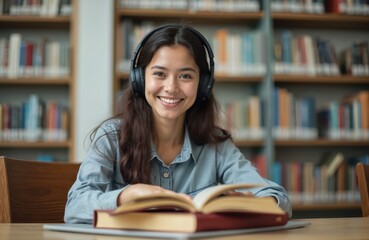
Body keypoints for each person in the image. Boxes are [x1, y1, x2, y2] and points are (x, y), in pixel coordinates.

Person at [64, 24, 292, 224]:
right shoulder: (112, 136)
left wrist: (251, 203)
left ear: (203, 85)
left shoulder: (216, 144)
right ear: (140, 79)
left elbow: (278, 199)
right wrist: (126, 196)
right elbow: (74, 207)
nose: (171, 87)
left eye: (185, 76)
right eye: (159, 74)